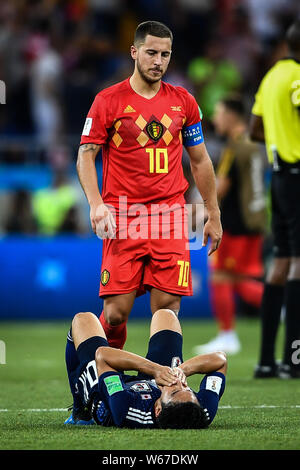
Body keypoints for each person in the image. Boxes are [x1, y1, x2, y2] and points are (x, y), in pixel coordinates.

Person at [76, 21, 222, 350]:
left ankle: (161, 392)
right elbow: (86, 156)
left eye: (165, 55)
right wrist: (96, 203)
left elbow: (200, 161)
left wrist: (213, 213)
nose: (158, 61)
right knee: (115, 314)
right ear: (134, 52)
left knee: (168, 308)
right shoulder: (107, 101)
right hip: (123, 214)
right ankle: (105, 372)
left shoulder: (184, 102)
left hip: (169, 214)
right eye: (151, 53)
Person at [64, 308, 227, 428]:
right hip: (155, 386)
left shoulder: (125, 408)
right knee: (166, 315)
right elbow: (220, 360)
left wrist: (155, 370)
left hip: (109, 391)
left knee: (83, 319)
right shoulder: (200, 411)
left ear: (157, 409)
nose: (180, 383)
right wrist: (182, 371)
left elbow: (103, 356)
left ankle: (80, 411)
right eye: (189, 389)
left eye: (176, 391)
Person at [194, 96, 267, 355]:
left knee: (221, 277)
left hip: (235, 223)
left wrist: (202, 211)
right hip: (254, 221)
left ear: (232, 116)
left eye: (219, 112)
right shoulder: (253, 144)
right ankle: (281, 305)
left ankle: (227, 335)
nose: (215, 118)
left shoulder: (235, 147)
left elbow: (221, 186)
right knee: (236, 279)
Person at [249, 20, 300, 378]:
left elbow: (255, 129)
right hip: (299, 175)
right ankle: (294, 360)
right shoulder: (297, 77)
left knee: (281, 261)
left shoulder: (271, 77)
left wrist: (280, 138)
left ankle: (267, 360)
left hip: (279, 176)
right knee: (298, 261)